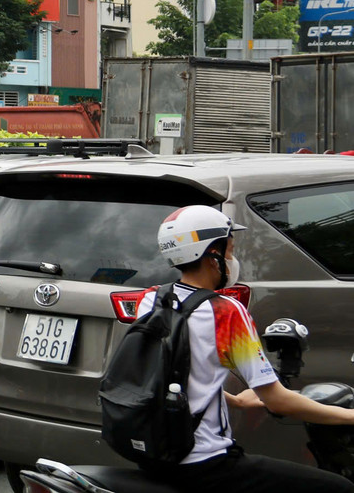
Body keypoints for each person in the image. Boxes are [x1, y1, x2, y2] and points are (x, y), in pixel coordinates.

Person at [136, 206, 354, 493]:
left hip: (156, 452)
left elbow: (172, 373)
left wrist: (235, 400)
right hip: (203, 461)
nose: (232, 258)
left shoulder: (151, 299)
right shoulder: (226, 312)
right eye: (230, 250)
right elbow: (277, 402)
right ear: (213, 254)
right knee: (339, 488)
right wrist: (350, 417)